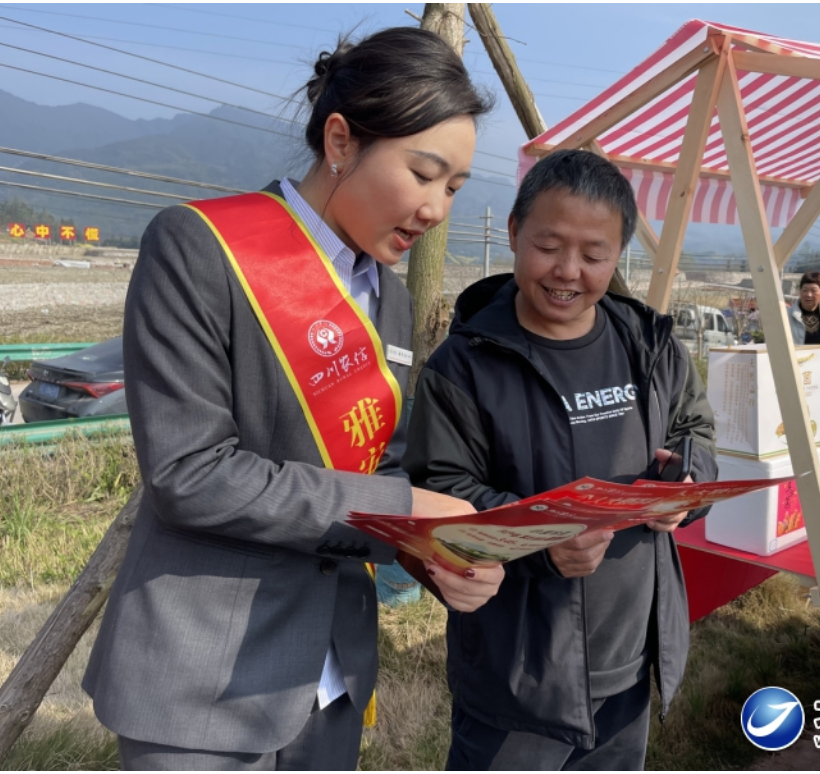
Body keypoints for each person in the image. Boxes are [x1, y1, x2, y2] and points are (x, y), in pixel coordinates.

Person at [82, 27, 503, 771]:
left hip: (330, 677)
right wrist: (404, 511)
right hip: (203, 678)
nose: (437, 208)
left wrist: (439, 551)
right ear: (340, 140)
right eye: (424, 173)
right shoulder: (201, 248)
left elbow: (386, 467)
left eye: (455, 189)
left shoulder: (393, 300)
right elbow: (191, 474)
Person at [403, 150, 718, 770]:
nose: (568, 271)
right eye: (549, 246)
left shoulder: (648, 344)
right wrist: (541, 538)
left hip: (629, 658)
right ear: (516, 232)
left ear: (619, 252)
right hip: (518, 671)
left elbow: (695, 429)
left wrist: (687, 480)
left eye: (595, 255)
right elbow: (439, 489)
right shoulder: (464, 365)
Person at [788, 270, 820, 345]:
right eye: (805, 290)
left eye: (814, 291)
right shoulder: (786, 316)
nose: (808, 294)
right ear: (800, 291)